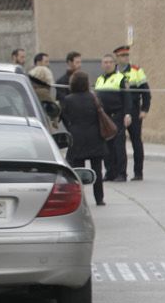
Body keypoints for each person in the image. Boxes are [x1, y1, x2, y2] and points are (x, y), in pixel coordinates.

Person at [59, 72, 107, 207]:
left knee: (77, 170)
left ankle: (79, 198)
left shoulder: (68, 100)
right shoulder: (94, 98)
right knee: (97, 169)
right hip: (95, 136)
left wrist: (71, 127)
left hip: (77, 137)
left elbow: (64, 116)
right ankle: (99, 198)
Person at [93, 53, 132, 182]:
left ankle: (121, 173)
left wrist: (127, 114)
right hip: (104, 117)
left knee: (118, 145)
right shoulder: (99, 79)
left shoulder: (121, 78)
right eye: (105, 62)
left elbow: (127, 98)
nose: (107, 64)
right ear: (102, 64)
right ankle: (110, 172)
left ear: (115, 64)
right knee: (106, 146)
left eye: (110, 62)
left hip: (117, 115)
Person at [115, 45, 150, 181]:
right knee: (118, 142)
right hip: (119, 111)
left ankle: (138, 172)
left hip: (134, 111)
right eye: (123, 56)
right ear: (117, 58)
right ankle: (121, 172)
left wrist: (144, 109)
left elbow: (146, 92)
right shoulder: (114, 72)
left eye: (127, 55)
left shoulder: (136, 70)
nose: (126, 58)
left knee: (136, 141)